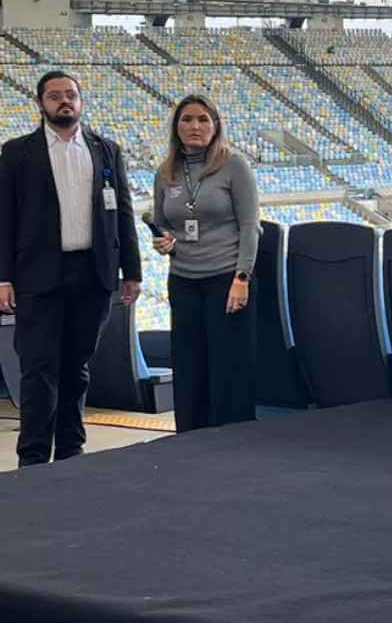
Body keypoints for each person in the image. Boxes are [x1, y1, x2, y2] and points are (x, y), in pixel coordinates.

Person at [0, 69, 141, 466]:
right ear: (40, 103)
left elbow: (123, 216)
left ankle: (70, 452)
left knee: (77, 366)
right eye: (55, 95)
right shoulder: (16, 153)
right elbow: (4, 219)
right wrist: (3, 278)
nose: (64, 101)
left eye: (71, 95)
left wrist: (132, 271)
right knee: (39, 367)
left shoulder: (106, 150)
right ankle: (32, 456)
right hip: (38, 276)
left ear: (81, 101)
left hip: (92, 274)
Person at [152, 94, 261, 433]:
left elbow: (250, 226)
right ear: (176, 127)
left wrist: (241, 278)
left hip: (225, 278)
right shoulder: (166, 171)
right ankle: (190, 438)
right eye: (187, 119)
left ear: (215, 126)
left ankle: (233, 438)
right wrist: (164, 242)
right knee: (188, 363)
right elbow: (162, 222)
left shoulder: (234, 165)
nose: (194, 126)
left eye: (203, 119)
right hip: (183, 279)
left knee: (228, 365)